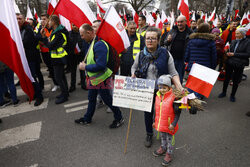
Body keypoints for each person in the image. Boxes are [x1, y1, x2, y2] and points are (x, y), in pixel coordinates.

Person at [131, 27, 183, 147]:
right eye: (148, 38)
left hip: (163, 91)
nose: (150, 41)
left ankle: (162, 131)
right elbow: (134, 67)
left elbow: (173, 72)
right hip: (146, 89)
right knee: (148, 113)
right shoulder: (140, 55)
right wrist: (133, 74)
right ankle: (149, 133)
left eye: (153, 38)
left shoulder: (165, 54)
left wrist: (179, 86)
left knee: (163, 112)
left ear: (158, 40)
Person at [74, 24, 124, 128]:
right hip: (94, 79)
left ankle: (119, 118)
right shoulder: (93, 42)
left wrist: (85, 67)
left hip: (102, 78)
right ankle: (87, 118)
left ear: (89, 33)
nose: (81, 37)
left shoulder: (99, 44)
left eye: (82, 35)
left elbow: (101, 65)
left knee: (107, 100)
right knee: (92, 98)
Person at [152, 75, 181, 166]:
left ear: (169, 87)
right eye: (160, 87)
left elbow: (177, 113)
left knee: (170, 141)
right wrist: (154, 121)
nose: (162, 89)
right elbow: (156, 110)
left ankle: (169, 154)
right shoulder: (157, 96)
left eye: (164, 87)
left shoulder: (174, 98)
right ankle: (163, 148)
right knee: (162, 137)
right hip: (161, 123)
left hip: (169, 125)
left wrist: (173, 124)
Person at [16, 13, 44, 106]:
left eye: (20, 18)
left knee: (32, 76)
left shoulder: (28, 29)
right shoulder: (18, 29)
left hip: (31, 57)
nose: (18, 20)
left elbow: (26, 42)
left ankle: (39, 97)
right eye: (16, 19)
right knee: (31, 76)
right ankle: (35, 93)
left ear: (24, 19)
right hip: (27, 57)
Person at [41, 15, 69, 104]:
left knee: (58, 77)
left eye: (49, 21)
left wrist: (45, 38)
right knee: (62, 76)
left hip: (59, 58)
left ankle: (64, 96)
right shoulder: (55, 31)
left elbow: (51, 46)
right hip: (57, 58)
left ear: (53, 22)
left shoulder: (59, 33)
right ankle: (65, 92)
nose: (48, 23)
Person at [184, 23, 217, 98]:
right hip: (205, 66)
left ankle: (191, 101)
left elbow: (187, 54)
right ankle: (197, 100)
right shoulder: (211, 42)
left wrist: (187, 62)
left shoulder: (191, 41)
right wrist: (213, 67)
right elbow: (214, 56)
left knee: (192, 84)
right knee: (201, 85)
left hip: (193, 65)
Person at [218, 28, 250, 102]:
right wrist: (227, 52)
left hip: (239, 64)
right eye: (236, 33)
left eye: (237, 33)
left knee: (235, 80)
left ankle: (232, 95)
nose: (235, 35)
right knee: (226, 78)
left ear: (242, 34)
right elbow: (230, 50)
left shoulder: (248, 42)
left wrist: (234, 54)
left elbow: (248, 54)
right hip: (230, 62)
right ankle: (224, 92)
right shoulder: (233, 41)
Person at [164, 15, 193, 83]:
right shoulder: (173, 30)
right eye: (178, 22)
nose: (179, 24)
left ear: (185, 22)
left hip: (182, 60)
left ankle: (178, 92)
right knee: (169, 78)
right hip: (171, 58)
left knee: (179, 79)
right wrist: (168, 40)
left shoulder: (190, 33)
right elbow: (165, 43)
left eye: (181, 22)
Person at [36, 13, 59, 92]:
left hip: (53, 52)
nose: (43, 21)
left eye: (45, 19)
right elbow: (37, 37)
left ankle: (61, 83)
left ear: (49, 19)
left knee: (57, 69)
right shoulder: (40, 28)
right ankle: (56, 84)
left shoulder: (53, 27)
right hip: (45, 52)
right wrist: (42, 32)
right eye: (41, 19)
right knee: (50, 69)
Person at [68, 23, 83, 92]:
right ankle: (72, 86)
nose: (74, 27)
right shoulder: (69, 34)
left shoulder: (82, 33)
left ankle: (83, 84)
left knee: (82, 71)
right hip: (72, 55)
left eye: (76, 25)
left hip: (81, 55)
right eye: (73, 25)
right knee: (73, 71)